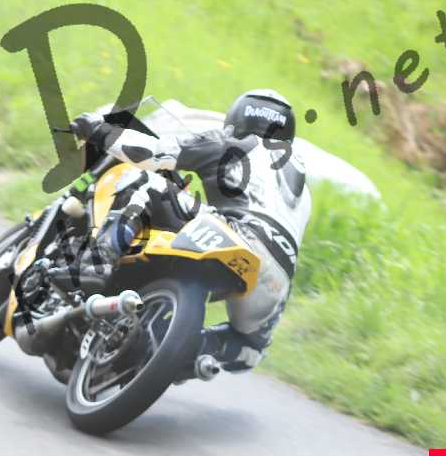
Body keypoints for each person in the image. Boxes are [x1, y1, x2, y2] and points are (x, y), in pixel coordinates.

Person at [54, 89, 311, 374]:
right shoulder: (303, 186)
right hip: (275, 283)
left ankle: (97, 263)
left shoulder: (235, 143)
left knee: (145, 181)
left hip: (239, 234)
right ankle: (181, 355)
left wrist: (98, 130)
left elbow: (153, 154)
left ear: (239, 118)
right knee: (248, 351)